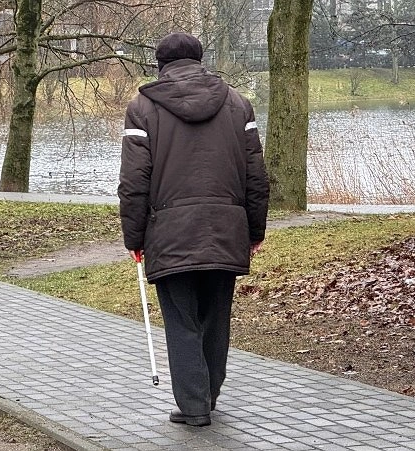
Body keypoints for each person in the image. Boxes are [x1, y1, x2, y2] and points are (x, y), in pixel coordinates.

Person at [117, 32, 270, 427]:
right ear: (200, 59)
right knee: (216, 317)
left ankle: (194, 406)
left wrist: (134, 237)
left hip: (170, 232)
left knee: (182, 320)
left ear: (160, 64)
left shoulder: (142, 107)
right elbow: (256, 176)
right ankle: (208, 396)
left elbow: (134, 181)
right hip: (226, 228)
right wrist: (254, 230)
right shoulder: (238, 103)